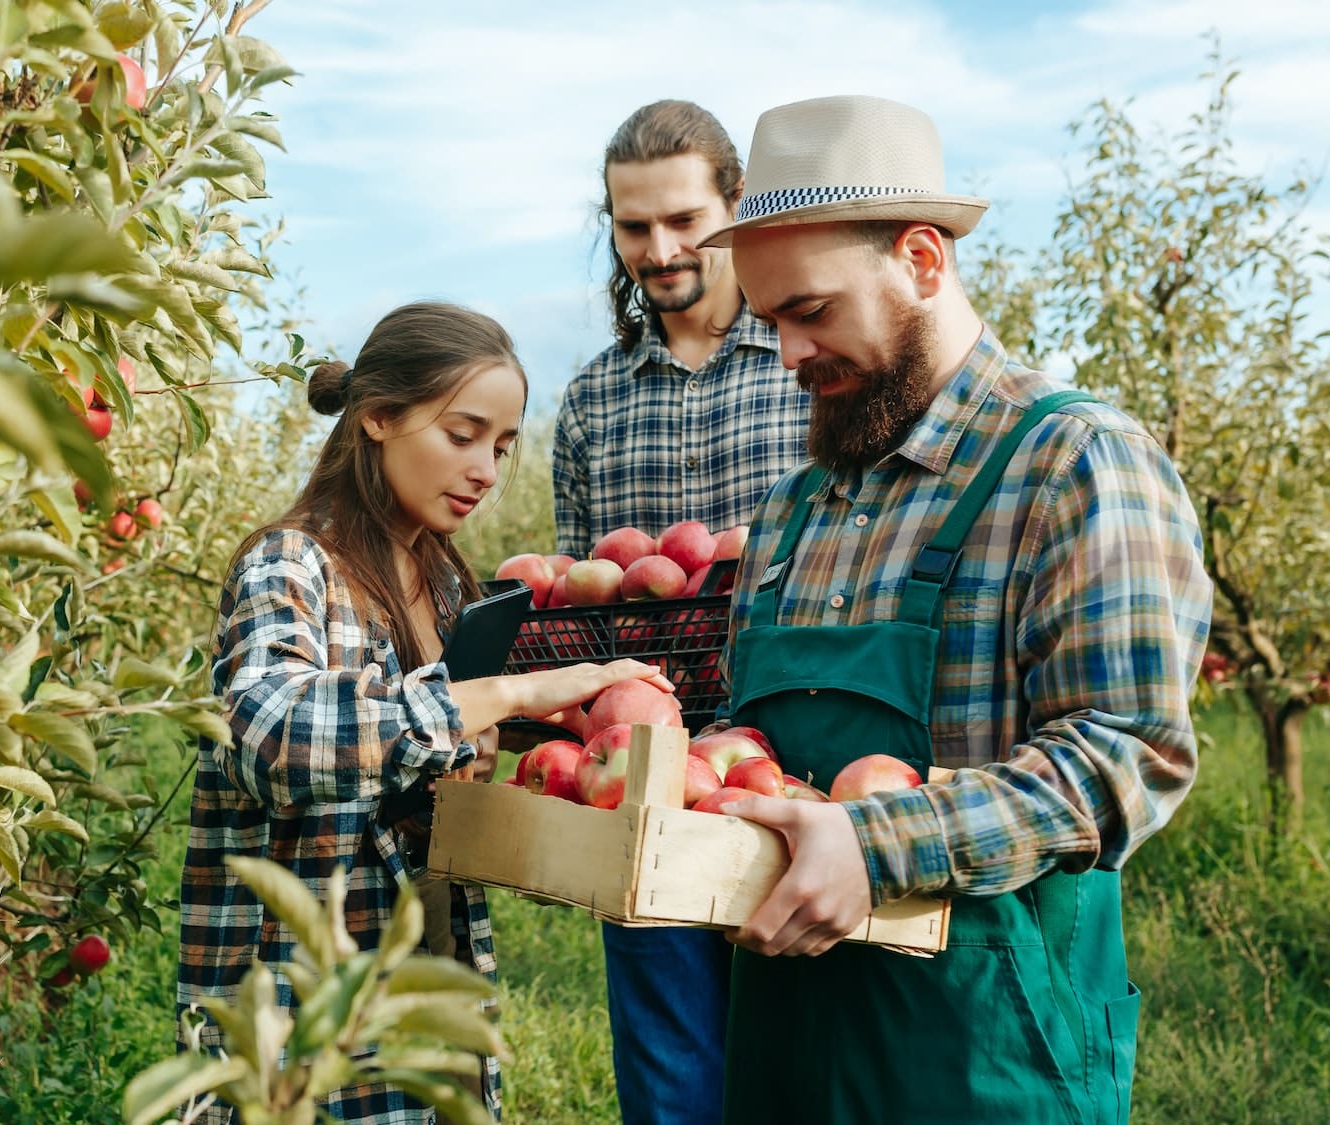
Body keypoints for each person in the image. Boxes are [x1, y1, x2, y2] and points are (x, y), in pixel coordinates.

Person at [695, 94, 1213, 1123]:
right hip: (785, 1046)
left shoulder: (1069, 463)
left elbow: (1128, 752)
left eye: (810, 311)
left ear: (922, 262)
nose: (787, 356)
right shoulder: (797, 506)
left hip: (981, 1058)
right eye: (769, 323)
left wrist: (877, 844)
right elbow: (746, 739)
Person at [177, 301, 675, 1124]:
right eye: (462, 433)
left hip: (434, 976)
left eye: (503, 447)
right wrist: (508, 692)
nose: (485, 468)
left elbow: (434, 760)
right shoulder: (291, 564)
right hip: (304, 1011)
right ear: (377, 417)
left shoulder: (447, 584)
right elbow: (272, 731)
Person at [552, 100, 811, 1125]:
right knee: (672, 1085)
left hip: (796, 763)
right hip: (649, 783)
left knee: (807, 1061)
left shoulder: (808, 367)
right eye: (630, 227)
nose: (656, 250)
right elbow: (580, 609)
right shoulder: (590, 403)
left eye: (681, 221)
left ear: (734, 208)